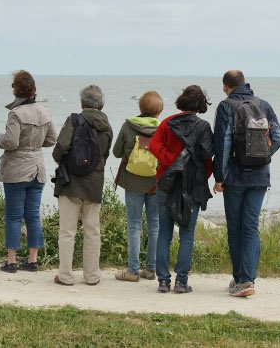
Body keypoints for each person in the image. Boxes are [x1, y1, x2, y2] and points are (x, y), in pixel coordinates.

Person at [213, 70, 280, 297]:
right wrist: (264, 155)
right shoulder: (264, 104)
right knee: (251, 226)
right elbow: (279, 137)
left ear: (226, 86)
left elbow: (223, 145)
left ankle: (239, 280)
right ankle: (248, 280)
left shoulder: (226, 107)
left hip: (234, 175)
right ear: (245, 83)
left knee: (235, 227)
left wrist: (220, 177)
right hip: (260, 175)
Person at [149, 85, 214, 293]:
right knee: (187, 234)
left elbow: (154, 146)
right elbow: (207, 159)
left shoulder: (167, 123)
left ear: (182, 100)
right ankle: (181, 281)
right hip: (191, 186)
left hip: (166, 183)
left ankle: (163, 281)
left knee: (164, 234)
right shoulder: (203, 127)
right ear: (201, 104)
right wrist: (201, 176)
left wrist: (170, 162)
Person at [52, 85, 113, 286]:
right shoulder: (107, 126)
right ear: (102, 104)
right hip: (93, 184)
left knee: (67, 232)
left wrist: (59, 159)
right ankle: (92, 276)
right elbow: (104, 155)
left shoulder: (74, 120)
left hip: (70, 183)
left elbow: (61, 146)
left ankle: (66, 276)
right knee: (92, 231)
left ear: (82, 103)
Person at [0, 70, 57, 273]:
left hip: (17, 168)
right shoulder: (44, 110)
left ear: (16, 89)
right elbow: (51, 139)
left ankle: (12, 261)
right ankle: (32, 260)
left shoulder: (15, 113)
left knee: (14, 216)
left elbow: (11, 141)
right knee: (33, 215)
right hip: (38, 167)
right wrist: (35, 143)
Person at [112, 91, 162, 282]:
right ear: (159, 111)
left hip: (132, 181)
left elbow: (117, 152)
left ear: (140, 108)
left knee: (134, 225)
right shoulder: (163, 128)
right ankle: (151, 269)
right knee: (154, 225)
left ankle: (133, 271)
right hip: (155, 183)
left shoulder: (128, 125)